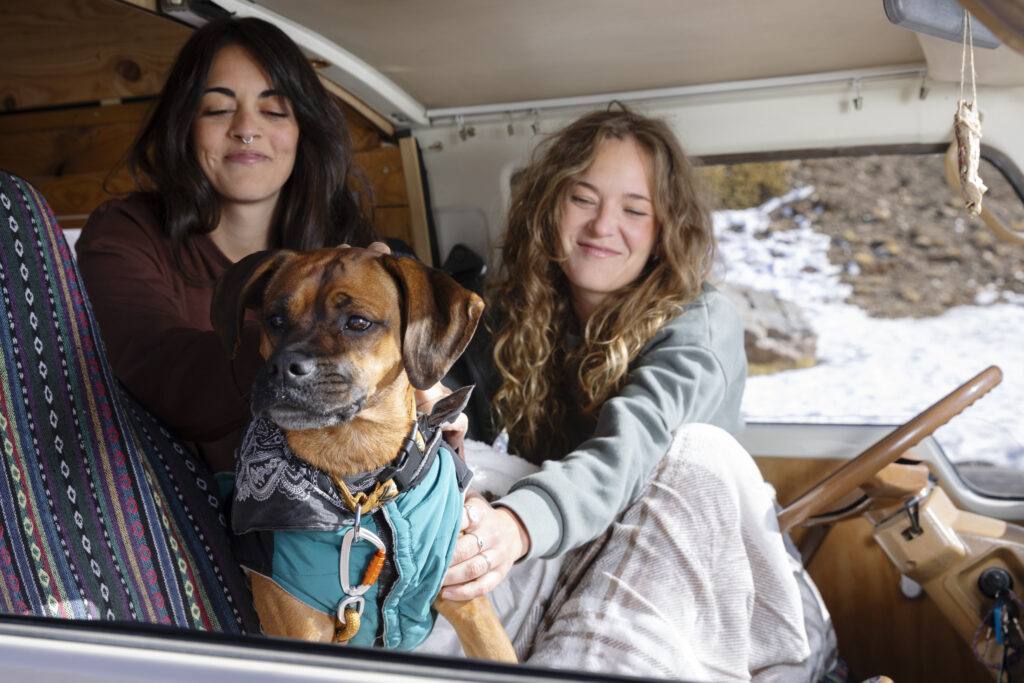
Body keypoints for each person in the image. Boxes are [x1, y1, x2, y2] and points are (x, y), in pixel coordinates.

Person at [418, 108, 825, 680]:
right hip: (568, 562)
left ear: (665, 230)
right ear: (548, 207)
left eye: (635, 210)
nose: (603, 226)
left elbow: (629, 454)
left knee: (700, 452)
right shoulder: (515, 314)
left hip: (695, 564)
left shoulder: (701, 325)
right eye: (583, 200)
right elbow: (471, 426)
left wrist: (513, 527)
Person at [77, 18, 452, 473]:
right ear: (184, 125)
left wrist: (416, 380)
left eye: (274, 111)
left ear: (302, 130)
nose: (246, 129)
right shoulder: (125, 232)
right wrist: (317, 347)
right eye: (217, 110)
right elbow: (152, 367)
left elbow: (416, 380)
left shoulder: (355, 249)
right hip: (179, 508)